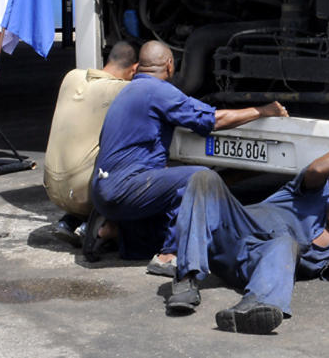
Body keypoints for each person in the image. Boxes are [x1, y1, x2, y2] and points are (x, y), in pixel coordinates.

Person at [166, 122, 329, 335]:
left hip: (254, 265)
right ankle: (187, 280)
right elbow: (317, 169)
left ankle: (253, 309)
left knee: (287, 243)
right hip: (230, 234)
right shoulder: (313, 195)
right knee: (204, 178)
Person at [87, 40, 288, 270]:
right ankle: (168, 257)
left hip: (102, 191)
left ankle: (112, 232)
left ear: (139, 66)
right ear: (170, 65)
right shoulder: (158, 90)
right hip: (123, 190)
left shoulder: (127, 91)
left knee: (162, 219)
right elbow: (213, 119)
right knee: (197, 178)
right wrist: (262, 110)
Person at [43, 41, 138, 245]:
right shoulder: (123, 90)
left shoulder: (72, 76)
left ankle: (70, 221)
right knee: (133, 153)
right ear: (135, 68)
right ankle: (99, 223)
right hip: (83, 194)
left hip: (52, 188)